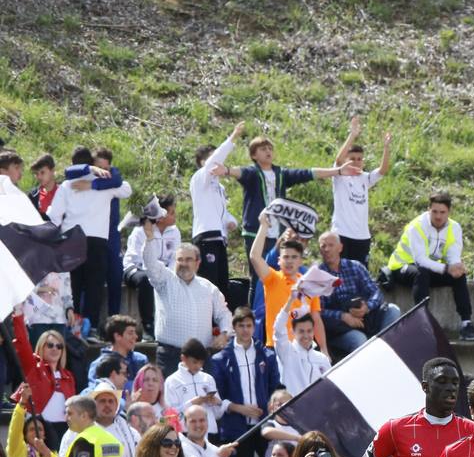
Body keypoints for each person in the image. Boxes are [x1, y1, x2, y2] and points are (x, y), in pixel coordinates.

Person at [213, 136, 356, 284]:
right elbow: (240, 172)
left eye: (270, 148)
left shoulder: (281, 173)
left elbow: (307, 173)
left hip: (278, 233)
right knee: (258, 276)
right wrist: (226, 170)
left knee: (278, 272)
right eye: (263, 149)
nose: (268, 151)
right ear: (254, 155)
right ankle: (256, 307)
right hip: (256, 231)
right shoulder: (252, 173)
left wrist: (337, 171)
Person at [44, 150, 132, 329]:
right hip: (97, 240)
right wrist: (102, 178)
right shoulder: (106, 184)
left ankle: (70, 327)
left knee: (72, 285)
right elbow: (127, 189)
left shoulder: (67, 185)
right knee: (94, 286)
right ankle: (89, 327)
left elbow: (54, 216)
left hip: (71, 238)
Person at [209, 308, 281, 457]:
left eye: (249, 325)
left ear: (254, 327)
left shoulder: (267, 355)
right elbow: (216, 397)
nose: (245, 330)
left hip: (264, 425)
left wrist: (268, 407)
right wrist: (239, 408)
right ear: (234, 328)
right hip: (236, 427)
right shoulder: (221, 359)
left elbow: (275, 387)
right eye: (241, 325)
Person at [138, 221, 231, 372]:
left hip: (201, 357)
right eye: (179, 259)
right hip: (170, 356)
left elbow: (223, 313)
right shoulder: (165, 280)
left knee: (205, 396)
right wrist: (149, 239)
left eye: (188, 260)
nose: (183, 263)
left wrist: (225, 333)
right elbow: (150, 264)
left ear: (198, 263)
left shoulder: (209, 288)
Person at [385, 193, 474, 341]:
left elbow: (453, 256)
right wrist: (447, 268)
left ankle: (467, 324)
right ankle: (422, 322)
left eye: (442, 212)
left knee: (459, 277)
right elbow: (420, 260)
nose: (438, 216)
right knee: (421, 272)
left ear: (449, 212)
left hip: (429, 269)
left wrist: (455, 267)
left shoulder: (455, 228)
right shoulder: (417, 225)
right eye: (434, 211)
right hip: (401, 266)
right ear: (428, 210)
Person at [249, 213, 328, 354]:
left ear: (300, 261)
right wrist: (264, 226)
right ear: (279, 260)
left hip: (304, 349)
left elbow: (316, 318)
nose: (290, 261)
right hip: (276, 349)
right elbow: (255, 257)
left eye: (294, 257)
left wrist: (324, 349)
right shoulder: (272, 279)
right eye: (286, 257)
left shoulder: (309, 283)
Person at [316, 232, 402, 358]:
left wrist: (367, 307)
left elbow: (376, 292)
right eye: (323, 246)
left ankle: (385, 354)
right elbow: (318, 311)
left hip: (366, 318)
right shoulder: (317, 275)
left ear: (340, 247)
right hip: (339, 329)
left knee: (394, 310)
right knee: (359, 340)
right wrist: (343, 316)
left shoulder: (355, 267)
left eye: (331, 245)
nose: (327, 249)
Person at [189, 122, 246, 291]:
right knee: (209, 285)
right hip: (206, 237)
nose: (218, 163)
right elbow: (215, 160)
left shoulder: (219, 187)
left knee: (221, 287)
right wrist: (233, 137)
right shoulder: (199, 178)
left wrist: (231, 221)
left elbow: (221, 212)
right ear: (202, 162)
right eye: (213, 158)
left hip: (220, 239)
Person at [331, 116, 391, 267]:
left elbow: (383, 170)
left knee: (360, 275)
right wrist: (352, 135)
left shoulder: (365, 178)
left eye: (360, 159)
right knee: (339, 274)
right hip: (342, 234)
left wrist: (386, 147)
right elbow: (338, 160)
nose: (357, 162)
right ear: (346, 160)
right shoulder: (340, 175)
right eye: (352, 158)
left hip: (362, 237)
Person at [12, 314, 76, 448]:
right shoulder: (33, 368)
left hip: (64, 429)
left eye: (59, 346)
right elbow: (22, 343)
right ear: (41, 347)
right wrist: (18, 317)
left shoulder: (68, 376)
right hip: (39, 429)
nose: (55, 349)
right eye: (50, 345)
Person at [121, 199, 179, 338]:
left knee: (177, 280)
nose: (175, 215)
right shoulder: (140, 230)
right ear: (161, 215)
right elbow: (139, 258)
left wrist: (169, 275)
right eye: (171, 213)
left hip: (161, 271)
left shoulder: (174, 231)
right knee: (146, 280)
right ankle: (148, 326)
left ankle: (171, 325)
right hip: (137, 269)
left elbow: (175, 258)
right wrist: (155, 273)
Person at [272, 290, 332, 392]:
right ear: (293, 332)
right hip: (294, 406)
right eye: (301, 331)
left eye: (309, 331)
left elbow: (330, 388)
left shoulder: (322, 359)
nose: (306, 335)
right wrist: (290, 300)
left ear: (313, 331)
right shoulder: (287, 352)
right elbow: (278, 328)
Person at [164, 339, 223, 436]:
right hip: (185, 434)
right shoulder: (172, 381)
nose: (198, 366)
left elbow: (218, 414)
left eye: (201, 363)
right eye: (195, 362)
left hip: (210, 432)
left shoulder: (208, 378)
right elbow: (170, 417)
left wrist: (217, 403)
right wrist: (192, 403)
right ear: (183, 358)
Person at [86, 315, 146, 398]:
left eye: (135, 333)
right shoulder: (99, 364)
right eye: (130, 333)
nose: (135, 336)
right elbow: (96, 393)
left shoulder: (141, 359)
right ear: (117, 336)